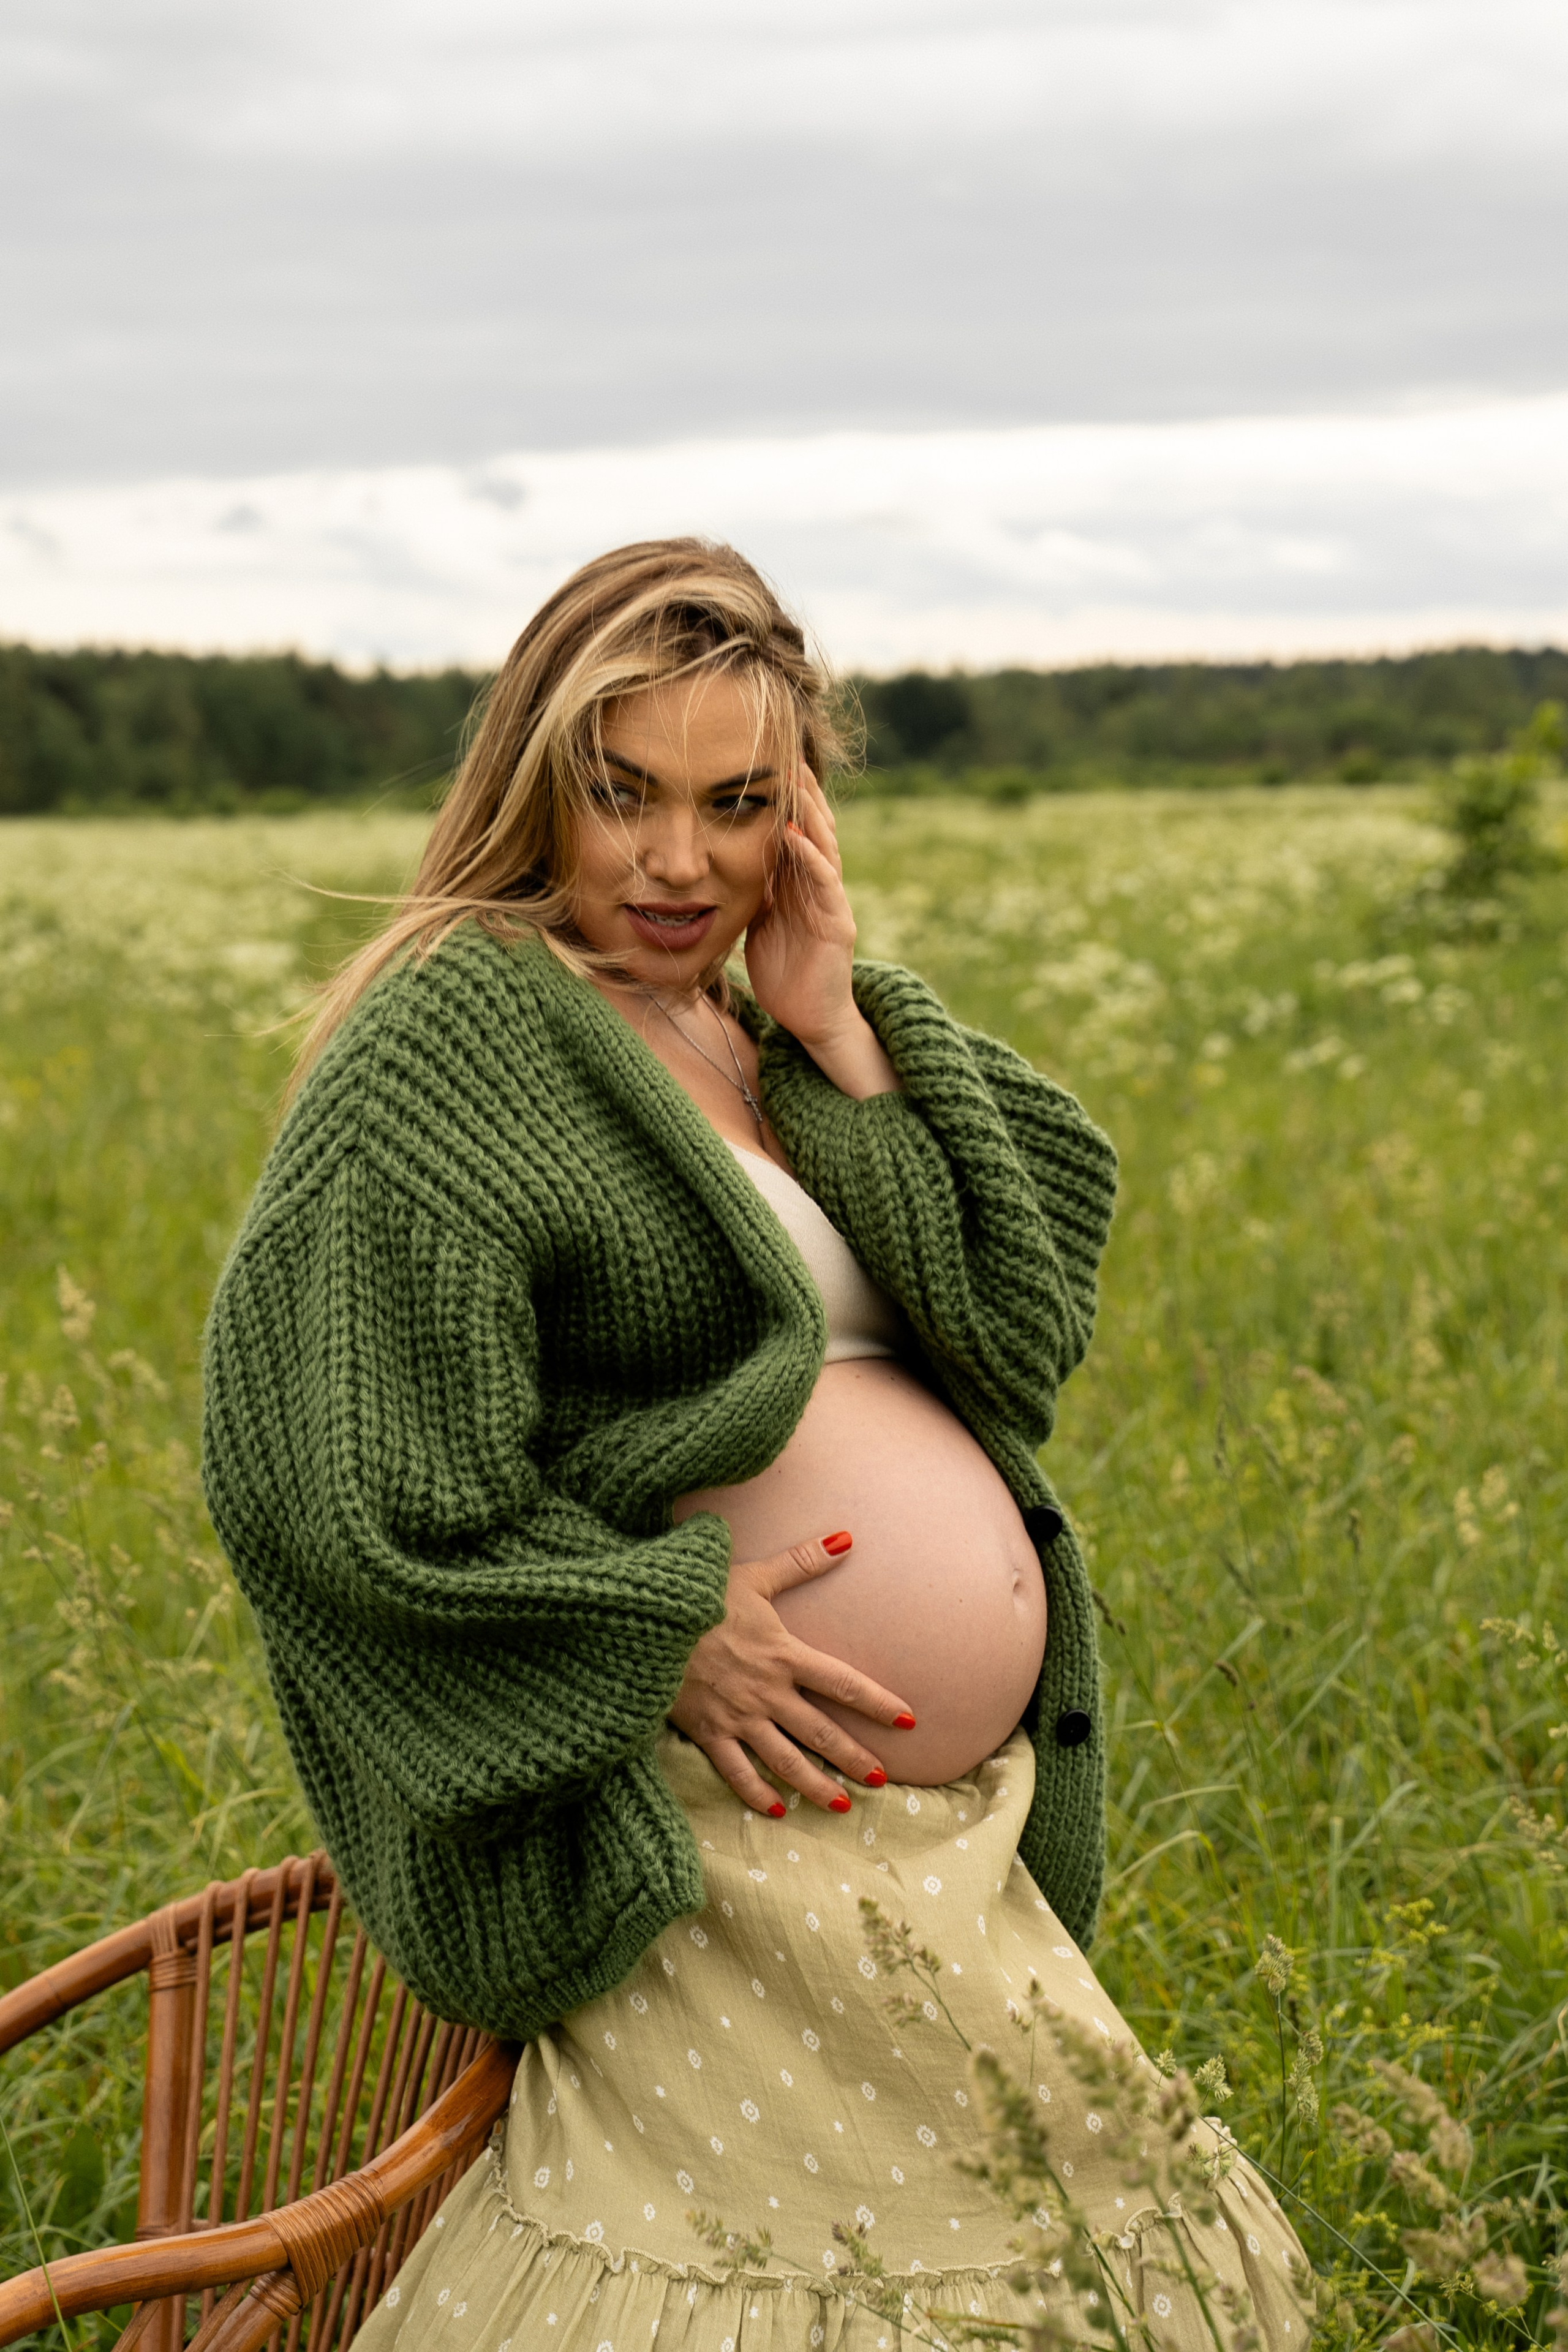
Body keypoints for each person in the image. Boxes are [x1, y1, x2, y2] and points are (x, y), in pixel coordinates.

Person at [203, 539, 1308, 2346]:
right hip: (722, 1835)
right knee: (808, 2290)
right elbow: (321, 1476)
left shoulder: (765, 1024)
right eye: (619, 791)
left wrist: (837, 1031)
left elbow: (1019, 1340)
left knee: (1079, 2253)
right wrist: (660, 1633)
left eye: (737, 804)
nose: (674, 859)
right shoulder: (459, 1028)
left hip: (940, 1827)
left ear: (800, 813)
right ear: (530, 780)